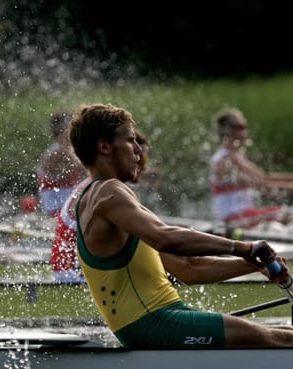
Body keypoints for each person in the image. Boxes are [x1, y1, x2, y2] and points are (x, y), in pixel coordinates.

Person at [71, 102, 293, 348]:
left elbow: (189, 268)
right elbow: (165, 237)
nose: (138, 151)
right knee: (280, 338)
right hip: (154, 322)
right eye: (130, 141)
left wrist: (251, 265)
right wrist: (244, 247)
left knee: (280, 331)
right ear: (104, 147)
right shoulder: (108, 193)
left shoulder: (113, 200)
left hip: (158, 320)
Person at [49, 129, 152, 283]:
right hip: (72, 276)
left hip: (75, 270)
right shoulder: (108, 191)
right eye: (139, 160)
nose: (143, 167)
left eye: (144, 159)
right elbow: (154, 237)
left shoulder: (100, 184)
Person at [209, 107, 293, 229]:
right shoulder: (223, 161)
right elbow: (264, 187)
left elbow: (264, 178)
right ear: (228, 131)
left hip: (246, 215)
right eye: (241, 127)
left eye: (245, 126)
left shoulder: (237, 156)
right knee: (288, 213)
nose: (245, 131)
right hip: (231, 220)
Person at [36, 110, 87, 217]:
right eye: (73, 128)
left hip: (66, 200)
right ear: (62, 131)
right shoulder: (58, 152)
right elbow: (85, 168)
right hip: (55, 205)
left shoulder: (69, 149)